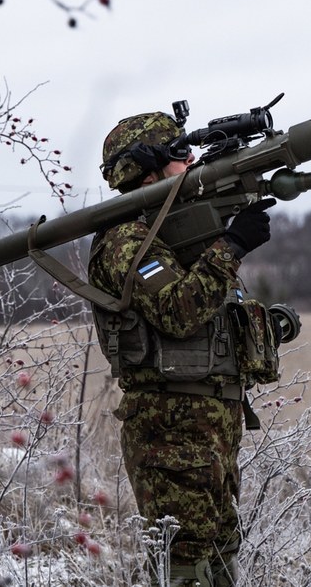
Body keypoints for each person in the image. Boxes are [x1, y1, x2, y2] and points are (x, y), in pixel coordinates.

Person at [87, 111, 279, 587]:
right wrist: (231, 246)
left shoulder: (178, 233)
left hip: (210, 426)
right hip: (170, 428)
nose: (190, 159)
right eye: (177, 153)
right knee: (183, 568)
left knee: (218, 558)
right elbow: (179, 310)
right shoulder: (127, 239)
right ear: (145, 171)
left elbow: (208, 320)